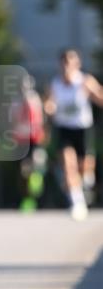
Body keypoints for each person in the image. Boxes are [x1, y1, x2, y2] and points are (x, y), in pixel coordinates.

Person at [44, 48, 103, 220]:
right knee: (68, 165)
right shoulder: (55, 84)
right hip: (64, 129)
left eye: (69, 63)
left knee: (84, 168)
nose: (66, 67)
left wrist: (96, 95)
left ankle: (86, 181)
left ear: (77, 64)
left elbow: (99, 96)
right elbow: (49, 104)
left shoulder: (85, 81)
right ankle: (77, 202)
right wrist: (49, 108)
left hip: (82, 129)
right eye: (63, 63)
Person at [10, 73, 47, 212]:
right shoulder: (15, 101)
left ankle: (36, 194)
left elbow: (40, 118)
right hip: (21, 139)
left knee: (36, 168)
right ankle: (27, 198)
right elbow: (13, 120)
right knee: (24, 171)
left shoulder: (35, 98)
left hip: (34, 138)